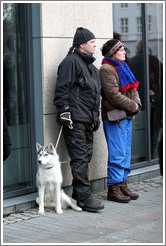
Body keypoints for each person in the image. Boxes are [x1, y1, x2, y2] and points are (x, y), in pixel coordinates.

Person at [53, 27, 104, 212]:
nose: (95, 45)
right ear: (81, 44)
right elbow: (62, 88)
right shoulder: (70, 62)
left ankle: (78, 193)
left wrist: (95, 116)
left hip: (88, 119)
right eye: (92, 42)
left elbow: (95, 94)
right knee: (80, 158)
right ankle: (84, 197)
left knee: (86, 156)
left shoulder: (92, 67)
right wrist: (64, 111)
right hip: (74, 120)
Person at [99, 39, 142, 203]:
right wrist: (133, 106)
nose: (125, 52)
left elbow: (134, 88)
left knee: (125, 153)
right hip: (115, 117)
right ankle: (113, 188)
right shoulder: (106, 69)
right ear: (112, 52)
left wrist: (137, 104)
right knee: (117, 153)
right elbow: (113, 95)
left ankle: (123, 184)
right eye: (121, 49)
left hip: (127, 116)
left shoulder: (123, 67)